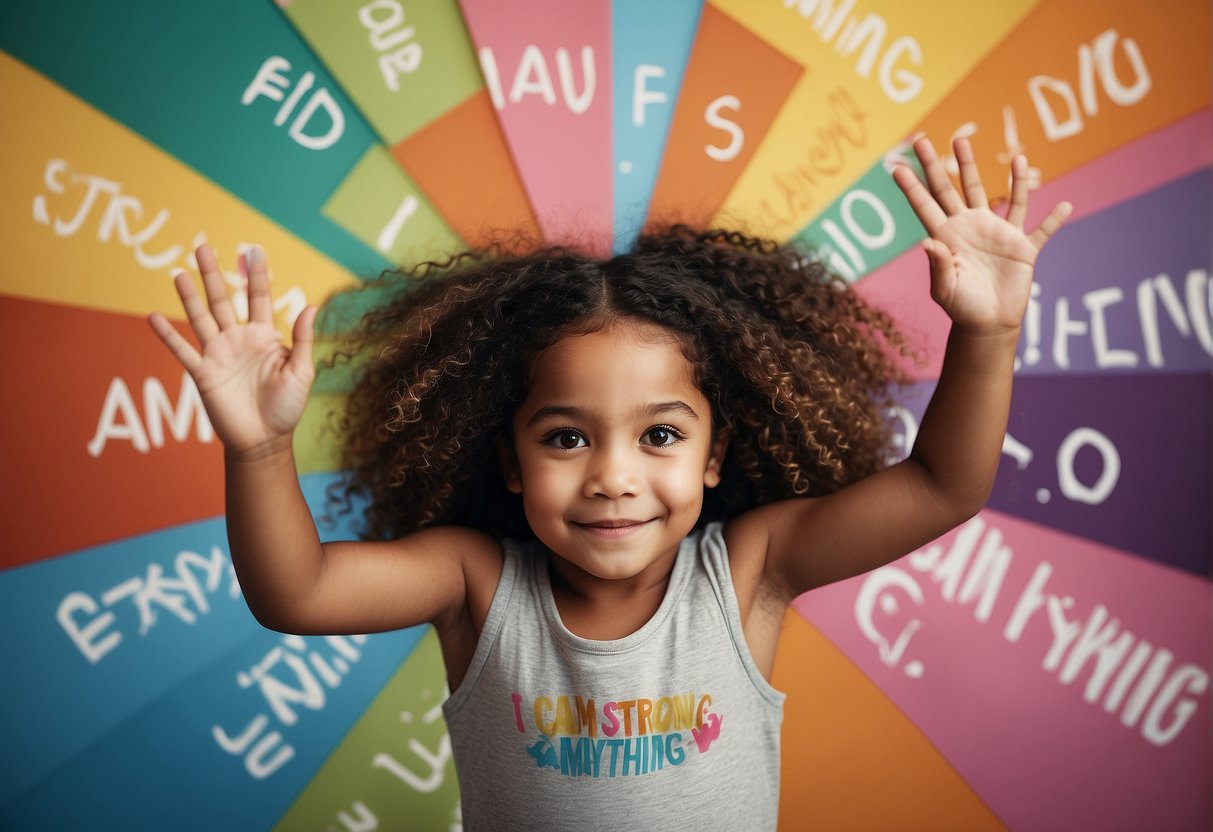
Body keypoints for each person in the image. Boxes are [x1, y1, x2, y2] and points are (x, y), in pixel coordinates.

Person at [148, 138, 1069, 830]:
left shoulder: (748, 570)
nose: (614, 477)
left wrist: (985, 335)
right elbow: (296, 594)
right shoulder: (477, 584)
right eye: (565, 438)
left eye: (660, 434)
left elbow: (944, 485)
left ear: (714, 457)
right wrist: (260, 449)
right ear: (509, 461)